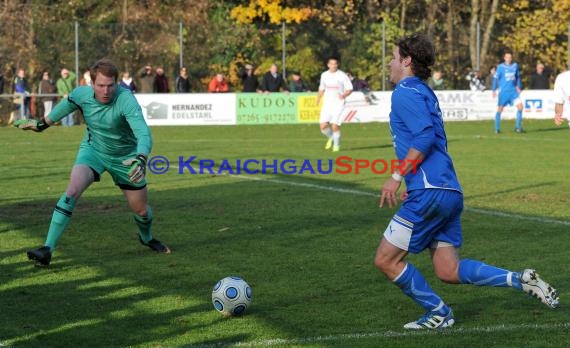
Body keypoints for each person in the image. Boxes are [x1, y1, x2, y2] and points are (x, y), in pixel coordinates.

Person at [375, 32, 559, 330]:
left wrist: (396, 177)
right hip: (447, 189)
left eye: (394, 58)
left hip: (430, 191)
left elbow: (424, 136)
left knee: (386, 260)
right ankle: (520, 279)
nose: (390, 63)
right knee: (448, 269)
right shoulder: (425, 91)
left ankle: (439, 312)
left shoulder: (405, 92)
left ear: (407, 61)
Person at [13, 58, 171, 266]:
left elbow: (143, 133)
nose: (106, 91)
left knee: (141, 210)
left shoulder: (126, 99)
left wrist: (140, 159)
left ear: (116, 83)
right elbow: (60, 112)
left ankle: (147, 237)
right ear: (92, 83)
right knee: (71, 191)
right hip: (93, 151)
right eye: (100, 85)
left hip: (126, 160)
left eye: (110, 85)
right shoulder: (81, 94)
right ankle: (47, 249)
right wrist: (40, 125)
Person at [315, 56, 353, 152]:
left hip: (338, 104)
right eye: (331, 64)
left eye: (335, 64)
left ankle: (336, 145)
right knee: (323, 126)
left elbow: (350, 88)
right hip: (327, 104)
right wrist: (318, 98)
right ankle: (332, 137)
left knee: (335, 125)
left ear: (337, 65)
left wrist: (344, 95)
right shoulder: (324, 75)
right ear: (328, 65)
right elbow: (321, 88)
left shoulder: (342, 75)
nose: (333, 66)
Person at [492, 50, 523, 133]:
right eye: (507, 57)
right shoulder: (500, 67)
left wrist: (519, 87)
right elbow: (495, 78)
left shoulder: (515, 66)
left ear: (511, 58)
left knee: (520, 107)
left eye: (510, 57)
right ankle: (497, 129)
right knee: (500, 109)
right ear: (504, 58)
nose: (509, 59)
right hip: (504, 92)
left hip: (513, 92)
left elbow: (518, 76)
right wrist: (494, 89)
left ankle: (518, 127)